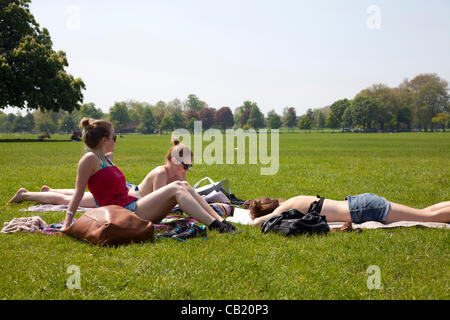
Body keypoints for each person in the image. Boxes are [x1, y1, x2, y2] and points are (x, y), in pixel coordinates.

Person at [44, 117, 235, 234]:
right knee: (178, 188)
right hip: (126, 213)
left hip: (133, 206)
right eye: (114, 137)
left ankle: (220, 223)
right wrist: (67, 223)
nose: (116, 141)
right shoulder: (90, 160)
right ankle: (216, 225)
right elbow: (78, 193)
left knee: (184, 186)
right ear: (104, 139)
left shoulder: (106, 159)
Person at [8, 137, 193, 208]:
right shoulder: (161, 173)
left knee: (82, 195)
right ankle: (25, 194)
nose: (186, 170)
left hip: (125, 191)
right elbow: (159, 200)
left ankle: (49, 191)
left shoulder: (174, 172)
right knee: (69, 199)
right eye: (186, 166)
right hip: (124, 196)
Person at [248, 193, 450, 227]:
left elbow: (258, 223)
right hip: (362, 203)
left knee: (428, 217)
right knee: (425, 212)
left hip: (364, 209)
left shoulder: (285, 209)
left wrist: (252, 218)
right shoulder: (292, 201)